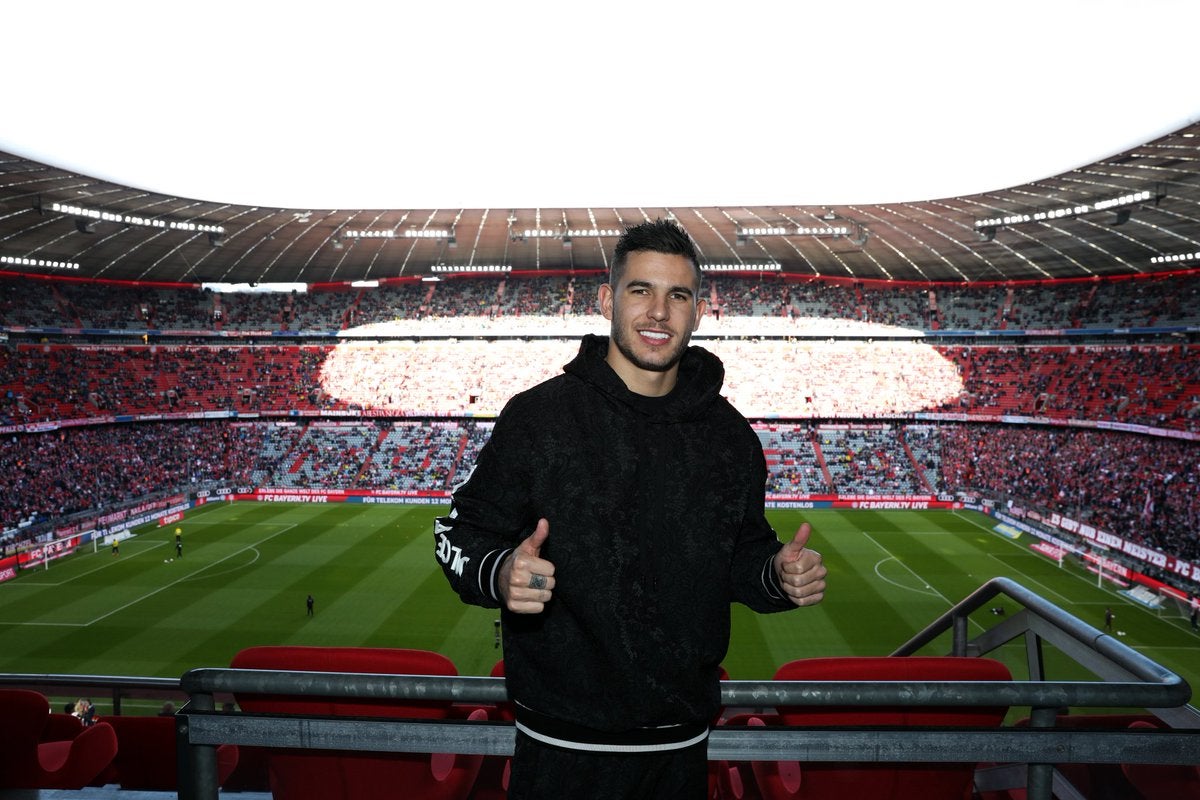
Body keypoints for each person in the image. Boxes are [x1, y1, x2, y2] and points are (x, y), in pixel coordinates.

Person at [434, 219, 826, 800]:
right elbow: (457, 536)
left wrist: (776, 575)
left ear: (699, 311)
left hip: (681, 745)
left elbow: (742, 554)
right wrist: (500, 572)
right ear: (606, 300)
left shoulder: (729, 436)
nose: (659, 312)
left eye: (679, 295)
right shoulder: (538, 418)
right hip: (559, 745)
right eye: (641, 289)